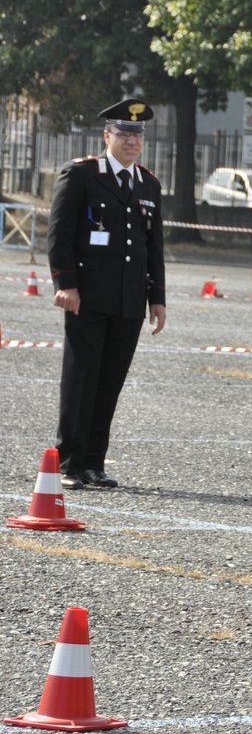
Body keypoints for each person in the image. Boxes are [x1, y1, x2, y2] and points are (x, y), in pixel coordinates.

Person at [47, 98, 166, 489]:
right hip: (88, 296)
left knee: (110, 382)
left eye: (138, 135)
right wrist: (65, 284)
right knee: (81, 377)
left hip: (128, 300)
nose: (132, 141)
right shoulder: (82, 174)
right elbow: (60, 236)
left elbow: (152, 247)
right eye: (124, 133)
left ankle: (94, 463)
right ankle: (69, 462)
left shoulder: (148, 184)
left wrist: (157, 297)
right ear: (107, 136)